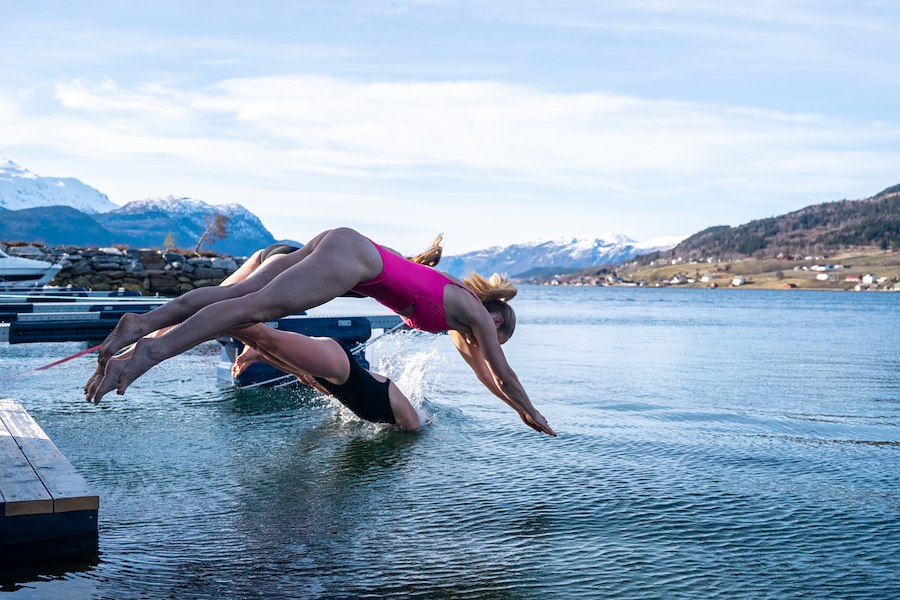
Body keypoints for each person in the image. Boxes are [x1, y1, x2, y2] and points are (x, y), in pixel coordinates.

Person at [87, 228, 555, 437]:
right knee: (251, 306)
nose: (488, 342)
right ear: (497, 319)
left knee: (243, 294)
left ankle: (143, 324)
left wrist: (513, 407)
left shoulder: (460, 317)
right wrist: (530, 411)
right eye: (497, 334)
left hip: (347, 243)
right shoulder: (475, 311)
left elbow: (485, 376)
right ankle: (147, 353)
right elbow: (503, 373)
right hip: (351, 257)